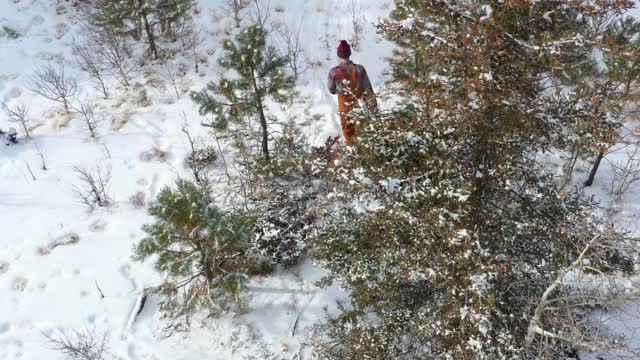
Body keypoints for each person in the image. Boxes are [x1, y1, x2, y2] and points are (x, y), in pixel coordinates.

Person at [327, 40, 377, 146]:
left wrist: (339, 90)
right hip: (360, 104)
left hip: (344, 105)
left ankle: (352, 152)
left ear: (338, 54)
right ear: (349, 53)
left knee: (348, 130)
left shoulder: (333, 72)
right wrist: (373, 107)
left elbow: (331, 90)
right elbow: (368, 89)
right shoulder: (360, 69)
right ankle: (364, 153)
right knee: (362, 130)